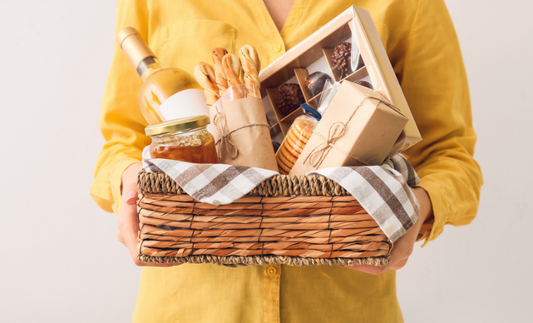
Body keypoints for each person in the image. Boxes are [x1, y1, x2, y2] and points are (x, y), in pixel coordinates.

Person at [91, 0, 483, 322]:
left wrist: (417, 210)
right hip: (188, 306)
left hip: (345, 308)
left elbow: (450, 156)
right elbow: (122, 141)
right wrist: (127, 182)